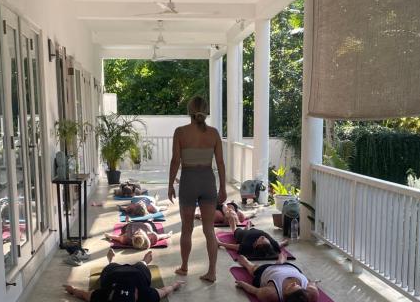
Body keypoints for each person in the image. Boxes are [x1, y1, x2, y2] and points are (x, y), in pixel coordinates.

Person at [167, 95, 227, 283]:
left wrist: (170, 184)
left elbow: (175, 161)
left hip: (189, 180)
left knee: (187, 228)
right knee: (209, 229)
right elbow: (220, 162)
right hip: (208, 180)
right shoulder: (214, 133)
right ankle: (212, 272)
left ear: (189, 111)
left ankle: (184, 267)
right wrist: (223, 187)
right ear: (206, 112)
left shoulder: (180, 132)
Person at [63, 249, 182, 302]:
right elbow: (164, 291)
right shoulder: (146, 296)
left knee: (110, 267)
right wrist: (174, 286)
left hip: (113, 272)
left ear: (111, 295)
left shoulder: (102, 297)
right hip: (138, 273)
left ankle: (112, 261)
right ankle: (144, 262)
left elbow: (83, 294)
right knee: (142, 266)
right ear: (136, 297)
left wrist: (72, 290)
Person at [235, 253, 319, 302]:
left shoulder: (270, 293)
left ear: (285, 296)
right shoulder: (312, 294)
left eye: (291, 287)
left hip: (267, 270)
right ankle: (280, 262)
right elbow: (312, 283)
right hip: (291, 267)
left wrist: (243, 284)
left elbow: (255, 291)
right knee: (305, 279)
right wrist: (314, 282)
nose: (294, 283)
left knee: (253, 269)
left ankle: (247, 263)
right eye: (298, 286)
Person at [218, 226, 288, 260]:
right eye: (265, 238)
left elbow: (234, 246)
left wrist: (220, 243)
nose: (263, 237)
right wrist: (285, 242)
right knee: (248, 229)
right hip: (253, 230)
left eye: (262, 239)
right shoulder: (272, 244)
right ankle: (247, 226)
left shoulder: (247, 246)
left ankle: (244, 227)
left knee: (235, 230)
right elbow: (280, 244)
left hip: (242, 234)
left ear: (256, 245)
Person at [105, 220, 170, 250]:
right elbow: (161, 236)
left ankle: (129, 221)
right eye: (139, 233)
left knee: (127, 228)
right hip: (145, 223)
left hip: (130, 226)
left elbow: (117, 237)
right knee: (149, 224)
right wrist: (168, 235)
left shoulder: (126, 238)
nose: (138, 231)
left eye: (136, 233)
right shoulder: (152, 236)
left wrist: (108, 236)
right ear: (146, 236)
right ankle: (149, 221)